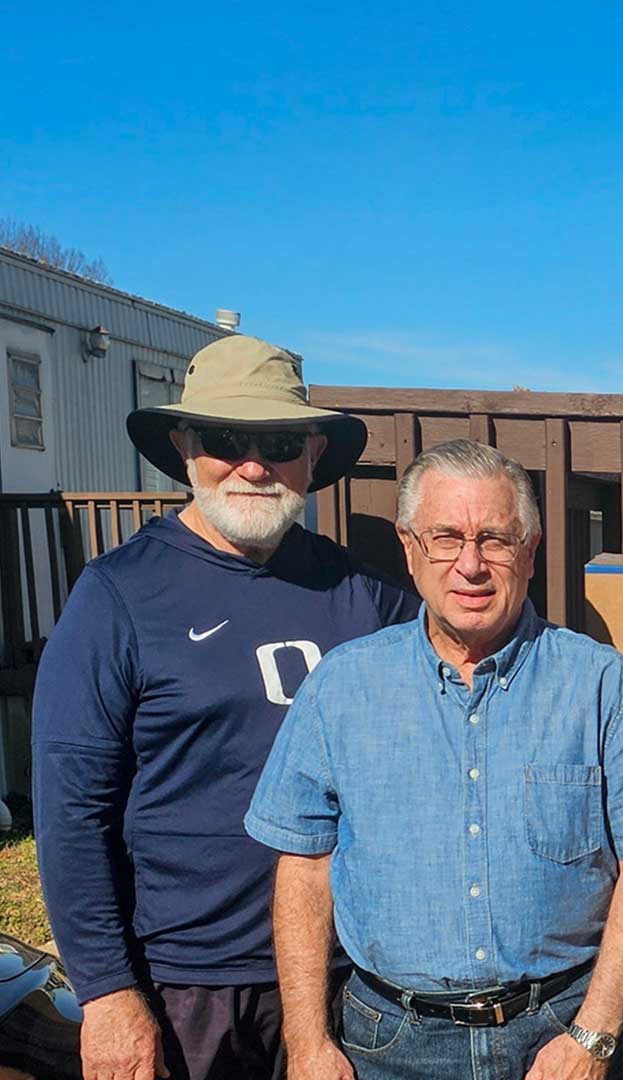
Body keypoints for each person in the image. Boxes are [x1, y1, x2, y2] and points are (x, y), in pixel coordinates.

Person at [244, 439, 623, 1080]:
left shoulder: (603, 686)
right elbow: (302, 869)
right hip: (389, 1043)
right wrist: (307, 1043)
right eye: (446, 538)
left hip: (558, 1035)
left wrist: (594, 1036)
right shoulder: (341, 688)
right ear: (411, 551)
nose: (471, 564)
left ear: (530, 550)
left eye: (495, 539)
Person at [31, 335, 415, 1080]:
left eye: (277, 442)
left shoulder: (364, 596)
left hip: (346, 976)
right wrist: (109, 993)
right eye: (226, 439)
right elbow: (70, 811)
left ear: (312, 454)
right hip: (187, 985)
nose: (252, 464)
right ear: (184, 447)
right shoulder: (118, 596)